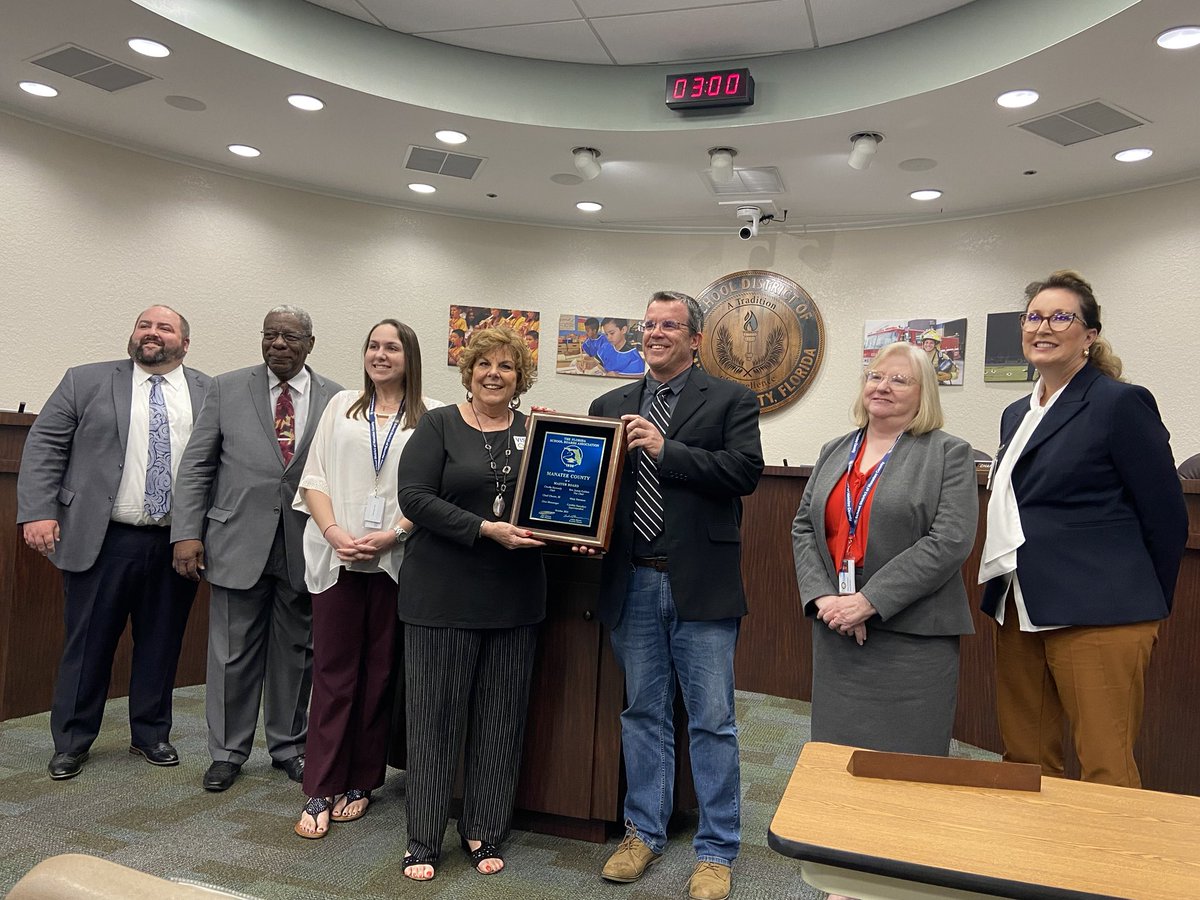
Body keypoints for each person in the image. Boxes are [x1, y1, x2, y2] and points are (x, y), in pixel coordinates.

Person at [979, 270, 1187, 788]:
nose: (1042, 326)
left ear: (1089, 336)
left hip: (1101, 612)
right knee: (1024, 762)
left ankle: (1107, 871)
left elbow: (1166, 517)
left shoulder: (1119, 403)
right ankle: (1030, 864)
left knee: (1104, 766)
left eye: (1060, 316)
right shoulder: (1016, 413)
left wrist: (1142, 605)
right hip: (1021, 605)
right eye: (1033, 317)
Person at [588, 291, 762, 900]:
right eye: (649, 325)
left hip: (701, 584)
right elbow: (596, 489)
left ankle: (716, 850)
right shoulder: (608, 404)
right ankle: (643, 832)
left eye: (670, 326)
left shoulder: (732, 399)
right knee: (642, 713)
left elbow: (744, 473)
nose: (656, 334)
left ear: (695, 338)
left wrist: (669, 451)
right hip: (631, 579)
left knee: (712, 721)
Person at [17, 306, 210, 780]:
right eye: (145, 325)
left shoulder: (209, 391)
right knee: (89, 644)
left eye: (165, 328)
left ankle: (151, 734)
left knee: (162, 643)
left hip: (175, 542)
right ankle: (72, 741)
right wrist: (38, 511)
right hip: (102, 538)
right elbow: (45, 445)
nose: (152, 333)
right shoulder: (85, 380)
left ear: (184, 344)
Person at [171, 306, 343, 792]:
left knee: (297, 650)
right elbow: (197, 467)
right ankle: (227, 751)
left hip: (302, 542)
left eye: (290, 337)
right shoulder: (226, 388)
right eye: (270, 335)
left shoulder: (336, 398)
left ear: (310, 343)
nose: (279, 344)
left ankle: (289, 746)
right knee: (231, 653)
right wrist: (187, 532)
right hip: (235, 539)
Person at [396, 326, 546, 880]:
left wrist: (574, 530)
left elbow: (558, 502)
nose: (494, 374)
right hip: (442, 596)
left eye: (506, 367)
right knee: (434, 721)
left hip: (514, 598)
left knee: (500, 720)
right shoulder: (438, 424)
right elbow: (412, 497)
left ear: (520, 378)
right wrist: (485, 528)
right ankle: (423, 838)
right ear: (468, 370)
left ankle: (484, 828)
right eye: (485, 364)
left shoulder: (538, 431)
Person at [290, 319, 442, 838]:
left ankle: (362, 779)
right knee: (333, 674)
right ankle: (320, 787)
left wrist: (393, 534)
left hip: (396, 561)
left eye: (392, 347)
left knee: (379, 674)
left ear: (410, 356)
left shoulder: (434, 417)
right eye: (374, 346)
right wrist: (333, 532)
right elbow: (313, 478)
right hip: (337, 557)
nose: (381, 355)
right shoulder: (341, 406)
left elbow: (434, 493)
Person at [791, 341, 977, 761]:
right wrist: (825, 599)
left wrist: (869, 601)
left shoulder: (948, 453)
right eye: (875, 376)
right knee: (836, 760)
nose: (883, 386)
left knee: (904, 768)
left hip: (911, 640)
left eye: (899, 379)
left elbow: (949, 540)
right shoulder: (835, 450)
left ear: (923, 392)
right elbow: (803, 526)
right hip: (837, 628)